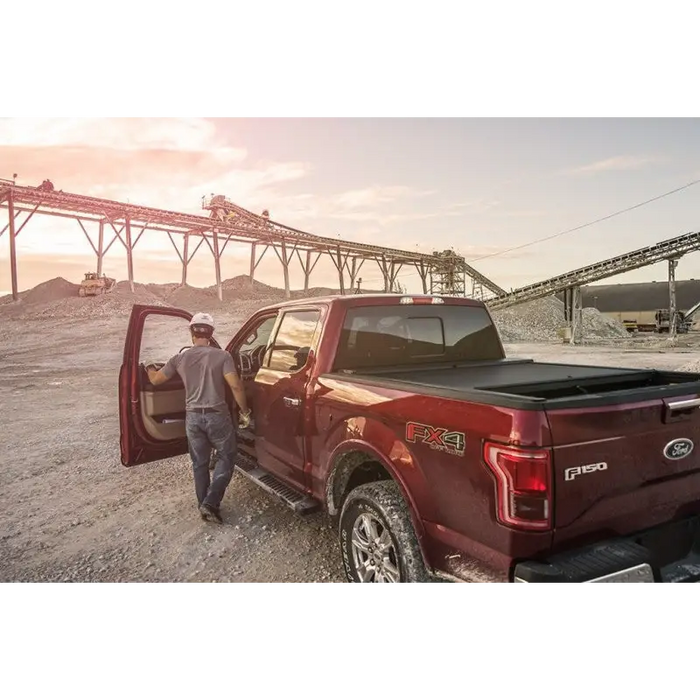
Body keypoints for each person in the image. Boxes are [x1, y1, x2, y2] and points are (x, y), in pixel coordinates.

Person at [146, 312, 251, 524]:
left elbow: (156, 381)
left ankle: (204, 504)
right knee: (227, 457)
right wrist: (245, 412)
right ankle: (210, 503)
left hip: (193, 418)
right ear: (211, 334)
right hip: (217, 416)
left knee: (199, 463)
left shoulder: (179, 359)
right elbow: (236, 386)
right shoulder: (222, 357)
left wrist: (148, 367)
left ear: (191, 332)